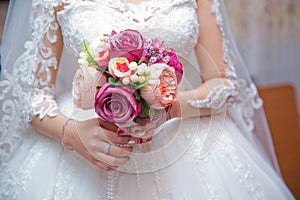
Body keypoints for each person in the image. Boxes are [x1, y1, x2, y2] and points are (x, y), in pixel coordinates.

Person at [0, 0, 295, 199]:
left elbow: (223, 83)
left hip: (185, 143)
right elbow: (31, 93)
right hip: (84, 147)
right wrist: (72, 133)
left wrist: (168, 108)